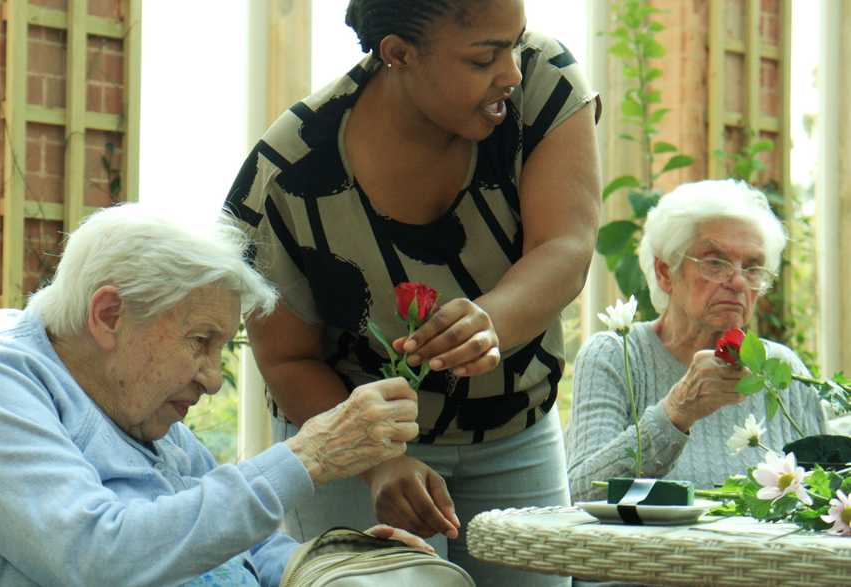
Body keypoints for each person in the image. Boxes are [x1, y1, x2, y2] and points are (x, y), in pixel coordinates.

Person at [224, 0, 600, 583]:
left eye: (515, 44)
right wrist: (377, 461)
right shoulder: (291, 174)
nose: (513, 73)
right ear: (399, 53)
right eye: (484, 57)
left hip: (510, 430)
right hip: (349, 438)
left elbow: (567, 247)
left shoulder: (542, 86)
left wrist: (489, 320)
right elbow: (286, 357)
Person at [0, 203, 432, 587]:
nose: (213, 378)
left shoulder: (135, 407)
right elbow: (96, 557)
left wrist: (330, 565)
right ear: (109, 316)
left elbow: (252, 545)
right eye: (201, 342)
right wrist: (306, 456)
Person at [567, 180, 825, 502]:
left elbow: (825, 496)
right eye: (716, 263)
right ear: (665, 272)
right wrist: (677, 411)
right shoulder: (615, 356)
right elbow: (581, 492)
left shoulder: (782, 369)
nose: (738, 281)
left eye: (754, 267)